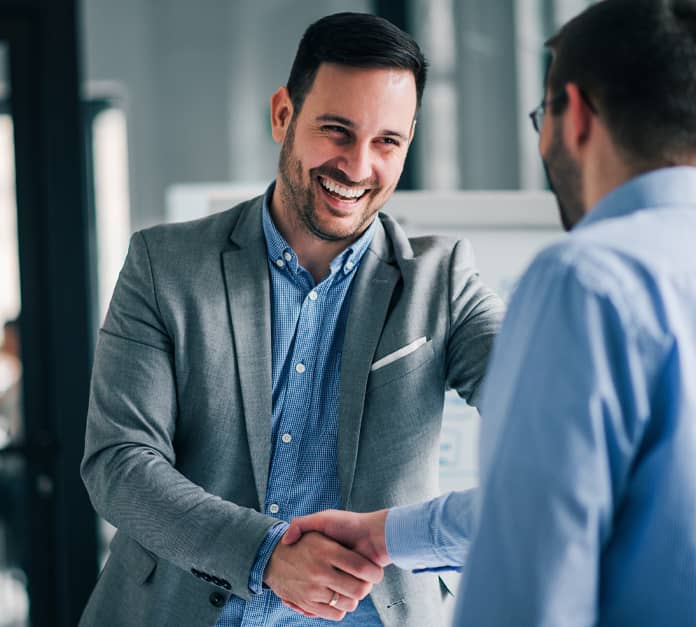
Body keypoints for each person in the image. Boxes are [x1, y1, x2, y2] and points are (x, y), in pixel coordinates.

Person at [79, 12, 504, 627]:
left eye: (387, 142)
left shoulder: (442, 281)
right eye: (337, 130)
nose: (358, 167)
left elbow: (554, 427)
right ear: (284, 115)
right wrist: (267, 554)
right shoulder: (164, 265)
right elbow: (119, 462)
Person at [282, 1, 696, 625]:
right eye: (337, 130)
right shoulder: (170, 261)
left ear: (575, 115)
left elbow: (531, 560)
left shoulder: (588, 281)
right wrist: (387, 533)